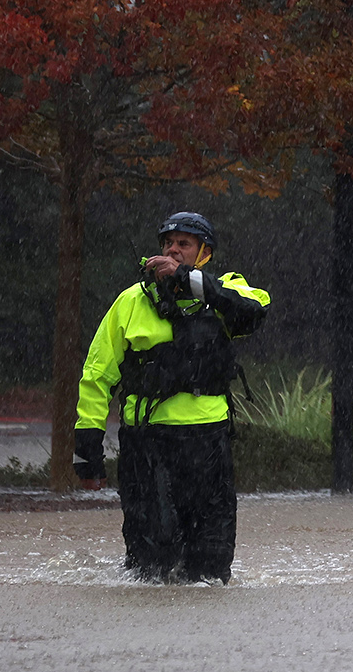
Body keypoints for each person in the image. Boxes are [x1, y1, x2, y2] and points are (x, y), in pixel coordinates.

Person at [74, 211, 270, 583]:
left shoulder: (227, 290)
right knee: (151, 561)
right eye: (168, 243)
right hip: (147, 445)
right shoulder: (131, 301)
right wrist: (87, 447)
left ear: (204, 253)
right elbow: (97, 375)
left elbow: (254, 311)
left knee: (211, 562)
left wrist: (187, 280)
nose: (173, 250)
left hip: (208, 444)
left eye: (184, 244)